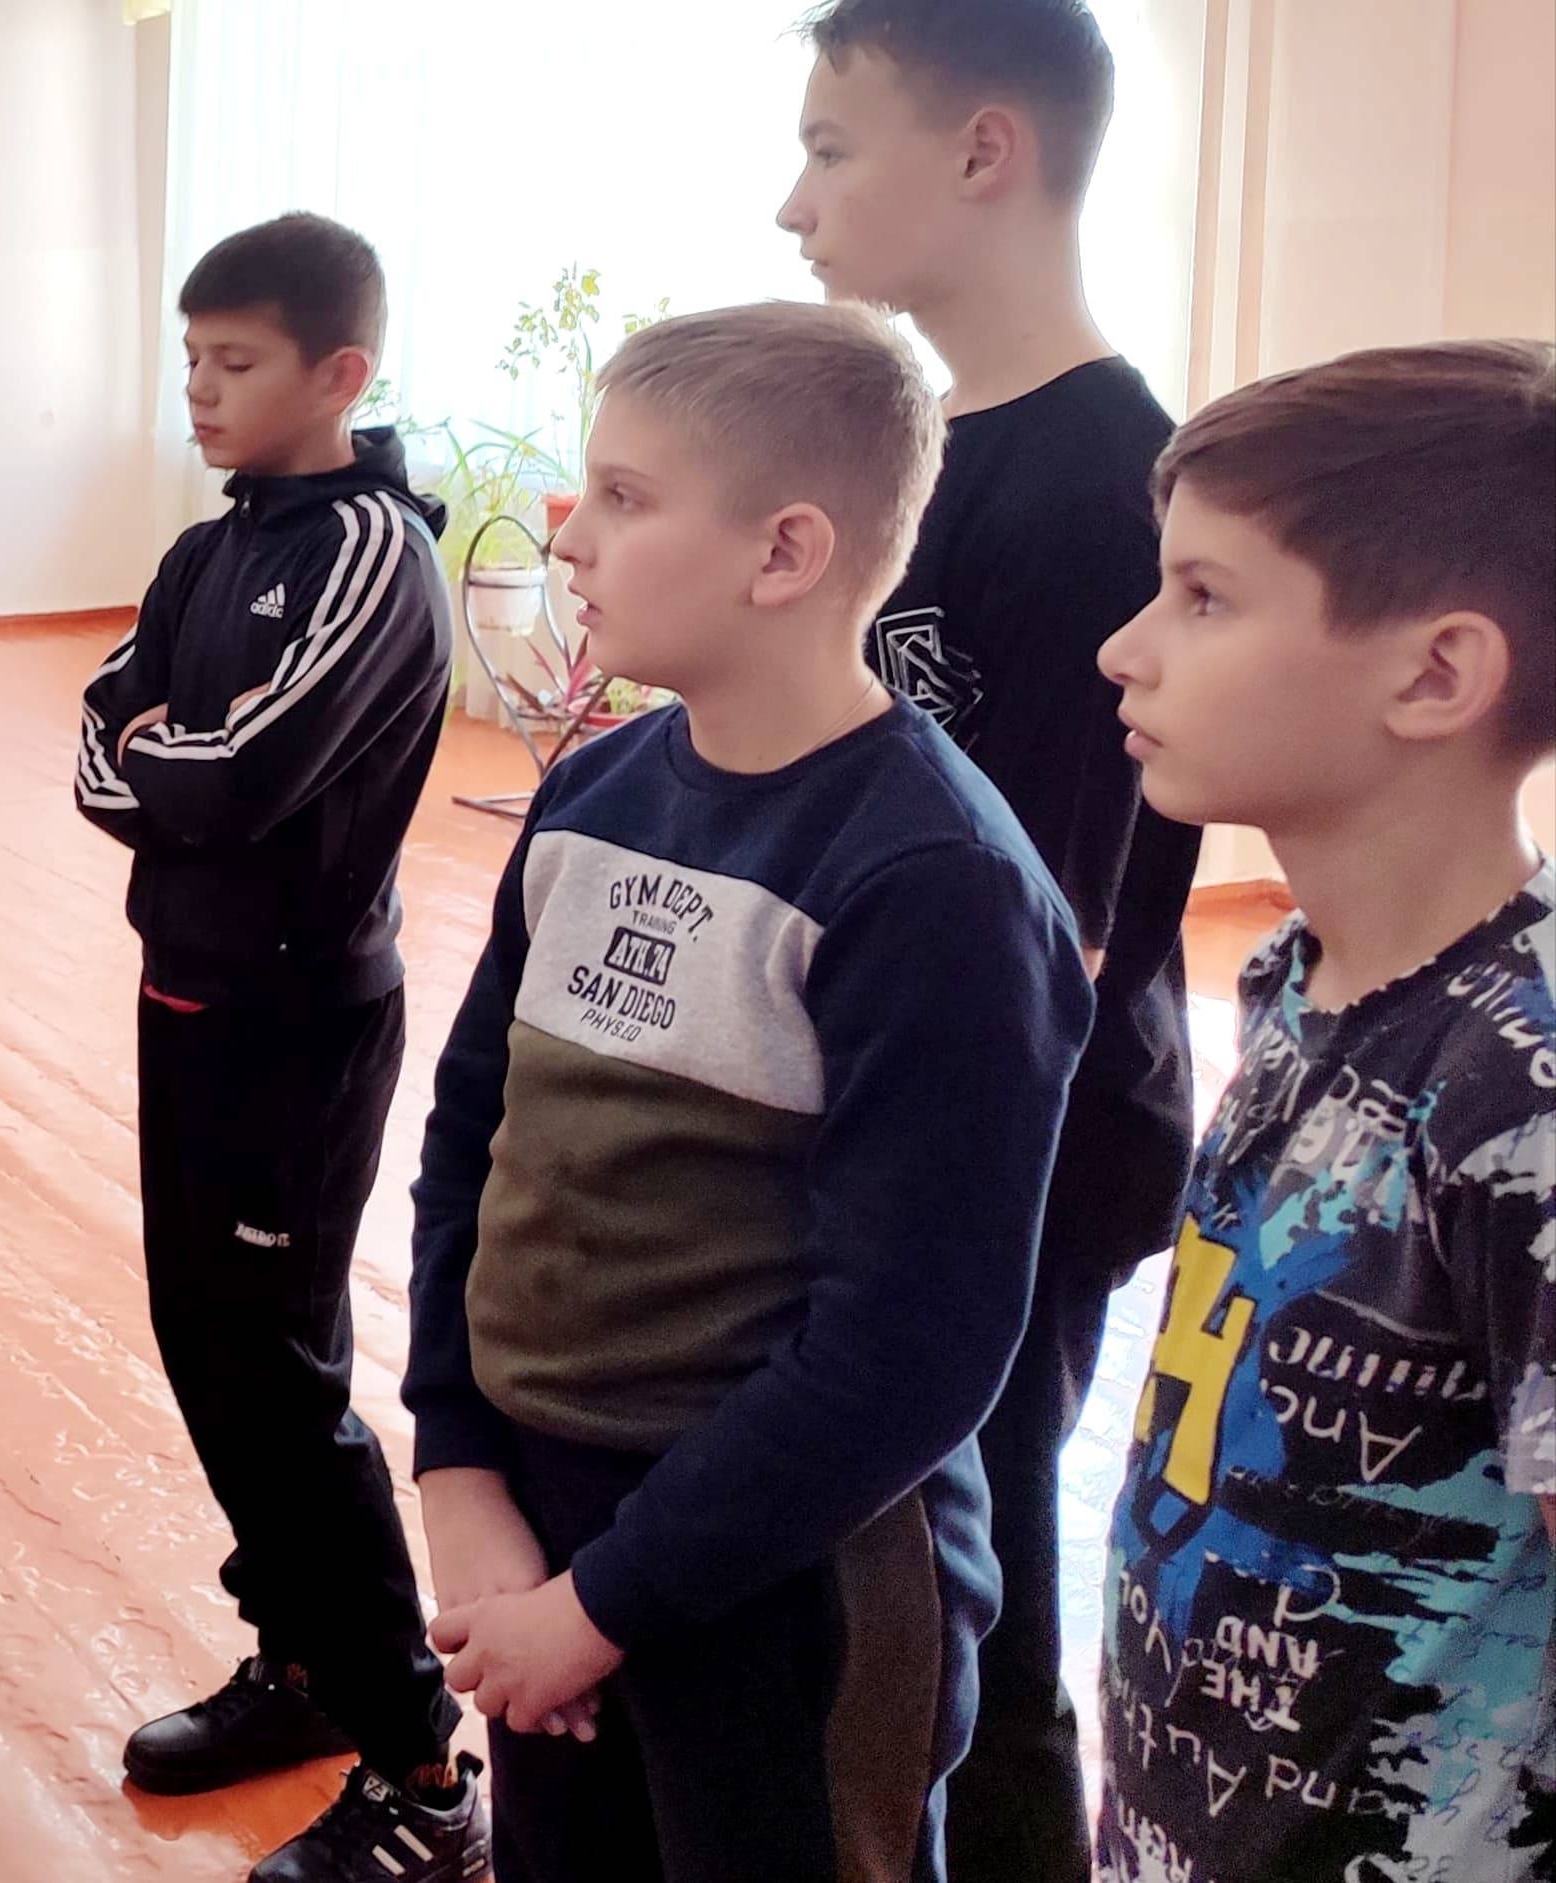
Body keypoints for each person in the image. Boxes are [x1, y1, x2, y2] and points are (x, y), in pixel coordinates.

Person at [404, 302, 1092, 1883]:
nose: (568, 535)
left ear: (783, 552)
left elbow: (908, 1348)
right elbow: (470, 1132)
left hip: (788, 1580)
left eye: (625, 496)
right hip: (539, 1526)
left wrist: (602, 1604)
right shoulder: (592, 791)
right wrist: (459, 1462)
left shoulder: (934, 879)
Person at [774, 11, 1198, 1866]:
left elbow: (1049, 938)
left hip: (1021, 1140)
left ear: (982, 152)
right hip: (885, 1110)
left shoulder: (1105, 486)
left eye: (829, 149)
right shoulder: (927, 453)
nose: (791, 205)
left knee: (985, 1606)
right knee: (886, 1582)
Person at [1089, 340, 1556, 1883]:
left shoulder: (1521, 1084)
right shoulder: (1295, 973)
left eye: (1202, 597)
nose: (1123, 648)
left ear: (1432, 674)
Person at [72, 213, 478, 1881]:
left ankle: (421, 1764)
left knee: (283, 1373)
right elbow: (98, 742)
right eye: (191, 360)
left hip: (302, 1022)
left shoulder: (374, 550)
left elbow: (238, 771)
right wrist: (177, 762)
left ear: (338, 373)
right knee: (205, 1343)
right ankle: (303, 1661)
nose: (200, 390)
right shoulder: (203, 553)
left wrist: (173, 760)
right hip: (183, 994)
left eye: (233, 362)